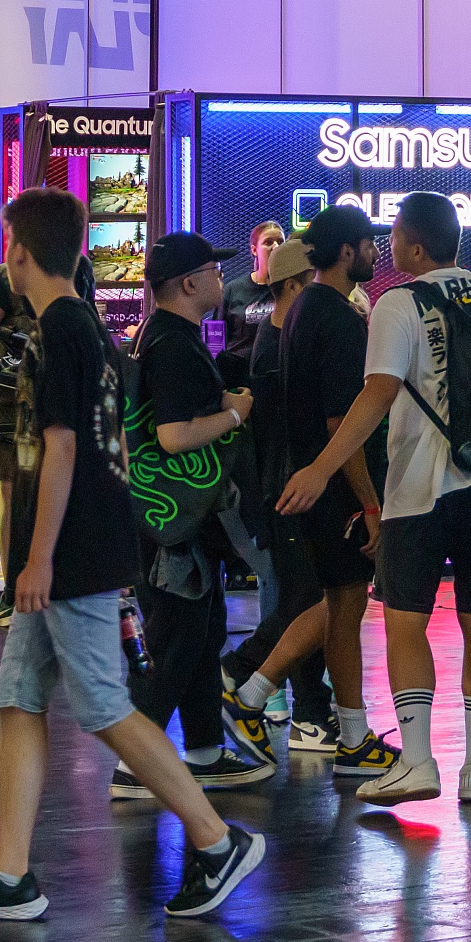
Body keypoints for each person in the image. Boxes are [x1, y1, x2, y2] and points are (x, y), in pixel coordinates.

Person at [0, 188, 269, 922]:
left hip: (73, 552)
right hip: (76, 547)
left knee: (106, 708)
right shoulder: (84, 327)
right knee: (19, 698)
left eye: (5, 246)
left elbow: (63, 448)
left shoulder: (62, 332)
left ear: (19, 253)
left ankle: (216, 841)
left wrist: (39, 558)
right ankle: (11, 873)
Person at [278, 191, 471, 805]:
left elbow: (377, 394)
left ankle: (416, 762)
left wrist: (320, 469)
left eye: (394, 238)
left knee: (406, 623)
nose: (387, 248)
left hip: (417, 489)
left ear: (413, 246)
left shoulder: (397, 303)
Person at [121, 232, 273, 791]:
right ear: (188, 284)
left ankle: (205, 751)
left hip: (176, 516)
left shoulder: (157, 335)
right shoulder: (175, 346)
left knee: (203, 632)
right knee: (176, 639)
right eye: (212, 270)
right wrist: (235, 415)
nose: (220, 279)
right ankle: (135, 765)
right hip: (174, 522)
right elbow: (174, 435)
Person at [275, 207, 394, 772]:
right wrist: (369, 502)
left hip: (312, 480)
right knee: (345, 608)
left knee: (338, 605)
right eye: (369, 243)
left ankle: (256, 689)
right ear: (347, 250)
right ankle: (346, 734)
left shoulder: (302, 308)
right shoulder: (341, 320)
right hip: (336, 488)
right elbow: (343, 424)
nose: (376, 252)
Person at [222, 219, 334, 748]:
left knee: (306, 597)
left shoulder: (280, 339)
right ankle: (240, 674)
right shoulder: (275, 346)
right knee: (306, 600)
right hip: (283, 489)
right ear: (294, 285)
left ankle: (308, 709)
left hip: (285, 486)